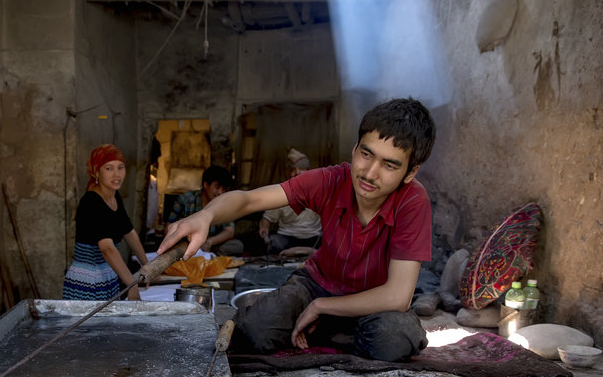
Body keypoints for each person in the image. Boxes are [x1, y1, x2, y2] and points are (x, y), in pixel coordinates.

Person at [158, 98, 435, 361]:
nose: (370, 173)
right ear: (354, 150)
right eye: (366, 154)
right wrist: (206, 215)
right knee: (256, 329)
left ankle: (324, 326)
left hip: (372, 302)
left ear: (410, 173)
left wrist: (321, 307)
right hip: (316, 284)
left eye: (389, 165)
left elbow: (398, 296)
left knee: (394, 338)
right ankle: (332, 332)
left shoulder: (413, 201)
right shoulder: (330, 180)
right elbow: (250, 199)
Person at [62, 144, 149, 301]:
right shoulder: (91, 202)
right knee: (93, 325)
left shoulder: (115, 197)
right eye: (109, 168)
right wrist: (131, 283)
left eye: (120, 167)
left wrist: (148, 267)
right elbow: (107, 248)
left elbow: (129, 232)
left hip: (108, 276)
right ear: (96, 172)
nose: (117, 174)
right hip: (88, 281)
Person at [165, 165, 244, 257]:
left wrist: (210, 242)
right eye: (217, 187)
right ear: (206, 185)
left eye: (224, 189)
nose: (220, 192)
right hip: (186, 243)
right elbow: (168, 227)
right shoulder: (185, 199)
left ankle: (210, 257)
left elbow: (229, 231)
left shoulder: (225, 203)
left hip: (211, 244)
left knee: (237, 246)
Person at [258, 148, 322, 256]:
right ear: (289, 173)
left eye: (301, 169)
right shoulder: (280, 193)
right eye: (293, 170)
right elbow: (268, 218)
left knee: (333, 244)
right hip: (287, 238)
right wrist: (264, 227)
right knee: (274, 243)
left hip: (314, 237)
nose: (297, 174)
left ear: (308, 171)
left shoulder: (319, 192)